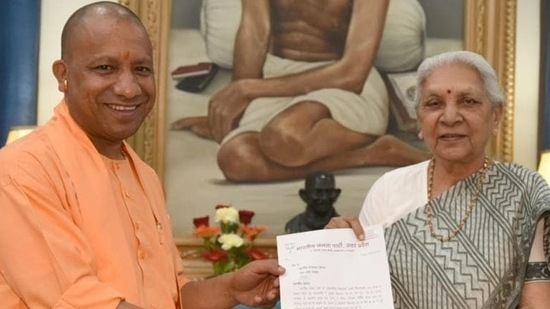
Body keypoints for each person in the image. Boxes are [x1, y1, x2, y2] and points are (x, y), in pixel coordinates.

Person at [0, 2, 284, 308]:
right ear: (63, 75)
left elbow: (173, 297)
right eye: (105, 68)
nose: (128, 88)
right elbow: (80, 302)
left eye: (141, 69)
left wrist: (231, 288)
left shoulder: (144, 176)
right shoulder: (22, 170)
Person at [325, 50, 550, 308]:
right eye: (434, 104)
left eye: (468, 101)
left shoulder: (524, 192)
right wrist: (334, 249)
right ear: (419, 120)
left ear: (496, 116)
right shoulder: (389, 189)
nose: (450, 117)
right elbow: (358, 292)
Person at [171, 0, 429, 182]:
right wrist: (234, 101)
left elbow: (352, 73)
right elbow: (254, 33)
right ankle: (374, 153)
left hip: (342, 83)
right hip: (277, 76)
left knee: (284, 136)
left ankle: (381, 147)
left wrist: (248, 89)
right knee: (235, 159)